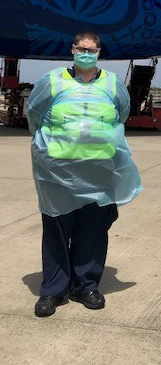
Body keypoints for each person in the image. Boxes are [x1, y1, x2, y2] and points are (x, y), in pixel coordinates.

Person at [27, 31, 143, 318]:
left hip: (98, 173)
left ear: (99, 52)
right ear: (73, 50)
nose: (86, 54)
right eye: (82, 49)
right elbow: (34, 115)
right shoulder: (52, 81)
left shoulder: (113, 83)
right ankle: (53, 291)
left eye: (91, 50)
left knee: (92, 231)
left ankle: (85, 285)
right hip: (58, 175)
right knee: (56, 231)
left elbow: (121, 114)